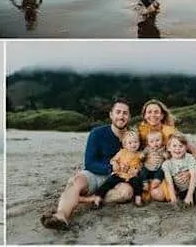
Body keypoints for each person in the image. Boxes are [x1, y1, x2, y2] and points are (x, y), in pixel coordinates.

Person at [41, 98, 134, 229]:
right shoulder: (97, 133)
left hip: (118, 178)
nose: (121, 116)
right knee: (76, 182)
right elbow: (89, 163)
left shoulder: (133, 137)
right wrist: (110, 167)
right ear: (111, 114)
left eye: (125, 113)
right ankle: (61, 215)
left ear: (129, 117)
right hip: (96, 174)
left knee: (127, 193)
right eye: (118, 112)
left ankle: (86, 199)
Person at [85, 128, 144, 208]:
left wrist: (137, 170)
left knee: (137, 183)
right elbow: (113, 160)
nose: (133, 144)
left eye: (136, 142)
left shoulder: (139, 154)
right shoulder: (121, 152)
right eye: (130, 143)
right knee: (108, 183)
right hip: (119, 173)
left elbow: (140, 165)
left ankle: (138, 199)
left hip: (131, 176)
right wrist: (115, 163)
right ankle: (98, 198)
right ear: (125, 145)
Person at [137, 130, 167, 201]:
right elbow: (142, 155)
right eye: (152, 141)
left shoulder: (163, 149)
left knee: (162, 170)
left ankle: (156, 181)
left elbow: (168, 156)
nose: (155, 143)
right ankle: (145, 183)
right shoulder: (147, 149)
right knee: (142, 170)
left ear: (162, 141)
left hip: (158, 168)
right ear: (148, 143)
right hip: (148, 167)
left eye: (157, 140)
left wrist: (166, 155)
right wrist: (142, 156)